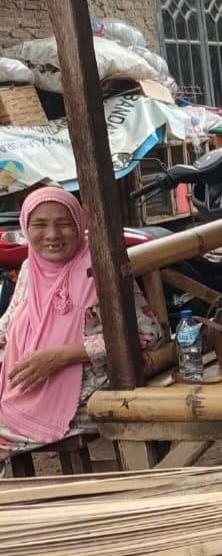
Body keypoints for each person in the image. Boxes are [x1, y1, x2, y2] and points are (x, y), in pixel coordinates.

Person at [0, 188, 161, 463]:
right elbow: (9, 323)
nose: (52, 235)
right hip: (27, 387)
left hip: (86, 394)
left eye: (64, 223)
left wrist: (61, 356)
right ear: (26, 227)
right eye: (39, 224)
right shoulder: (30, 268)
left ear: (80, 224)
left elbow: (148, 333)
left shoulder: (100, 267)